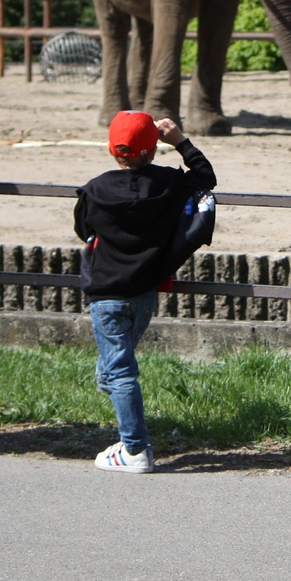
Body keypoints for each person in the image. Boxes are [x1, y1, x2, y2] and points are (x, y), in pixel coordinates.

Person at [74, 111, 217, 474]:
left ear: (112, 150)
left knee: (119, 373)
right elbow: (206, 179)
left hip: (106, 293)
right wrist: (181, 141)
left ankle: (135, 449)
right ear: (153, 150)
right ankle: (129, 435)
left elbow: (83, 228)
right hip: (144, 294)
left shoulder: (95, 189)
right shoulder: (168, 183)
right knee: (111, 372)